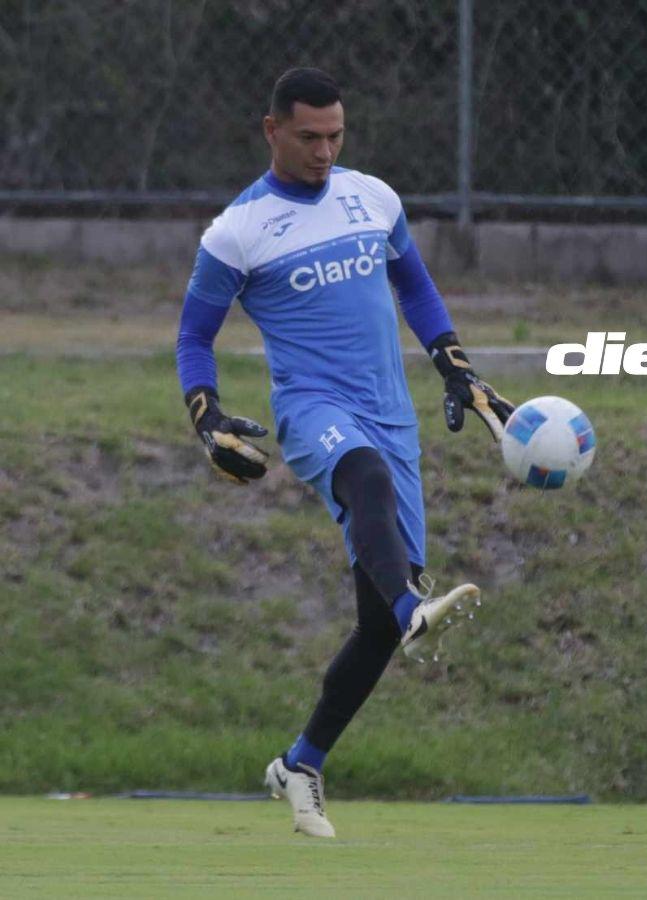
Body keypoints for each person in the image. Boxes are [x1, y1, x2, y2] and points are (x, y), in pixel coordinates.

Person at [174, 67, 513, 838]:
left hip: (392, 416)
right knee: (363, 482)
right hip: (312, 408)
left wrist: (458, 371)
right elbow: (195, 335)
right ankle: (414, 604)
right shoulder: (239, 230)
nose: (324, 151)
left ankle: (300, 762)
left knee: (377, 630)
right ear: (272, 131)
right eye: (308, 137)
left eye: (335, 136)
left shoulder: (375, 197)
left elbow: (416, 289)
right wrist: (207, 418)